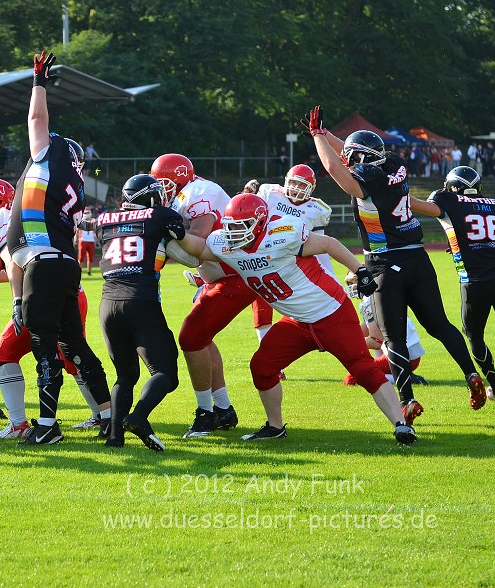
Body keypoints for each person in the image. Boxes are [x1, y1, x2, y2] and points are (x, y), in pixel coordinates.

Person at [177, 193, 416, 445]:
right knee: (262, 366)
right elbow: (200, 249)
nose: (234, 232)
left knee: (362, 368)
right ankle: (275, 427)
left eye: (241, 225)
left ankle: (401, 426)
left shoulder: (283, 233)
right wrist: (178, 233)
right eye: (230, 225)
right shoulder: (225, 243)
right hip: (296, 321)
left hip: (331, 313)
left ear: (259, 223)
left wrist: (359, 270)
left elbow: (328, 243)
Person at [308, 107, 485, 420]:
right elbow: (350, 155)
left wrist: (317, 137)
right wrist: (328, 134)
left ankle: (407, 399)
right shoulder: (395, 163)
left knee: (393, 338)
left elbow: (336, 168)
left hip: (385, 263)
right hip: (418, 257)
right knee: (440, 325)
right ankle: (471, 374)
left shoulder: (366, 183)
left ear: (359, 161)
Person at [4, 51, 110, 446]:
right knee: (73, 345)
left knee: (44, 348)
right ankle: (108, 414)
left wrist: (38, 82)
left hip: (43, 263)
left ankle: (47, 426)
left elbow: (36, 120)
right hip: (61, 265)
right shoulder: (77, 186)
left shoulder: (50, 161)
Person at [0, 177, 110, 439]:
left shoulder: (0, 220)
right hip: (70, 288)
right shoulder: (28, 214)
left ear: (1, 201)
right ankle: (104, 416)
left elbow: (13, 263)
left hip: (42, 292)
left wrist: (17, 301)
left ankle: (23, 424)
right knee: (72, 356)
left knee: (5, 352)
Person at [150, 153, 240, 438]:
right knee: (202, 339)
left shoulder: (198, 192)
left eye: (164, 181)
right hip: (221, 275)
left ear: (180, 176)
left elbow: (197, 241)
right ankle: (223, 408)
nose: (161, 188)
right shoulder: (183, 195)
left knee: (190, 338)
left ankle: (206, 414)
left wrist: (162, 235)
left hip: (236, 275)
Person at [410, 166, 495, 405]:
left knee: (474, 337)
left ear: (452, 187)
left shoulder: (447, 200)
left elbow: (419, 205)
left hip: (474, 283)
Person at [96, 175, 183, 452]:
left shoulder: (105, 219)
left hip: (108, 305)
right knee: (165, 371)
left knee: (125, 375)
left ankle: (114, 437)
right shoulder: (160, 215)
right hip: (140, 301)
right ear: (150, 196)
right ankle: (138, 417)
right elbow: (180, 234)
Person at [243, 164, 334, 342]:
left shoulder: (317, 209)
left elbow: (320, 246)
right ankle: (206, 278)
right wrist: (247, 195)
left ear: (311, 188)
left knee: (300, 310)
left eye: (302, 185)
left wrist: (330, 277)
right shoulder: (270, 193)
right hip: (263, 253)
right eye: (293, 183)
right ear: (286, 181)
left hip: (292, 262)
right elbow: (246, 216)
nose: (296, 188)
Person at [77, 209, 97, 274]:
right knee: (80, 258)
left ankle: (89, 272)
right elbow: (77, 231)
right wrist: (76, 239)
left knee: (90, 257)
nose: (86, 214)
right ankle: (79, 272)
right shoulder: (80, 220)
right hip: (83, 241)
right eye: (85, 212)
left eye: (87, 212)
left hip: (91, 241)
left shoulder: (93, 220)